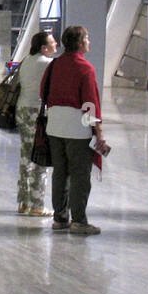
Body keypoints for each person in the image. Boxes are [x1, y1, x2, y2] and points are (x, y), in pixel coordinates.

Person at [39, 25, 109, 235]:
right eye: (87, 38)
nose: (89, 42)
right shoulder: (85, 68)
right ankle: (79, 220)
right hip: (77, 127)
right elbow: (89, 103)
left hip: (54, 126)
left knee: (60, 172)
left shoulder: (54, 65)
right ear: (79, 43)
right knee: (79, 174)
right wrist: (98, 131)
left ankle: (60, 218)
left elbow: (44, 92)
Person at [16, 30, 57, 216]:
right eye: (52, 43)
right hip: (36, 112)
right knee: (40, 156)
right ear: (43, 47)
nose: (55, 45)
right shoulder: (47, 64)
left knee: (25, 157)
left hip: (22, 109)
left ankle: (23, 202)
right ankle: (37, 205)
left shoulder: (27, 60)